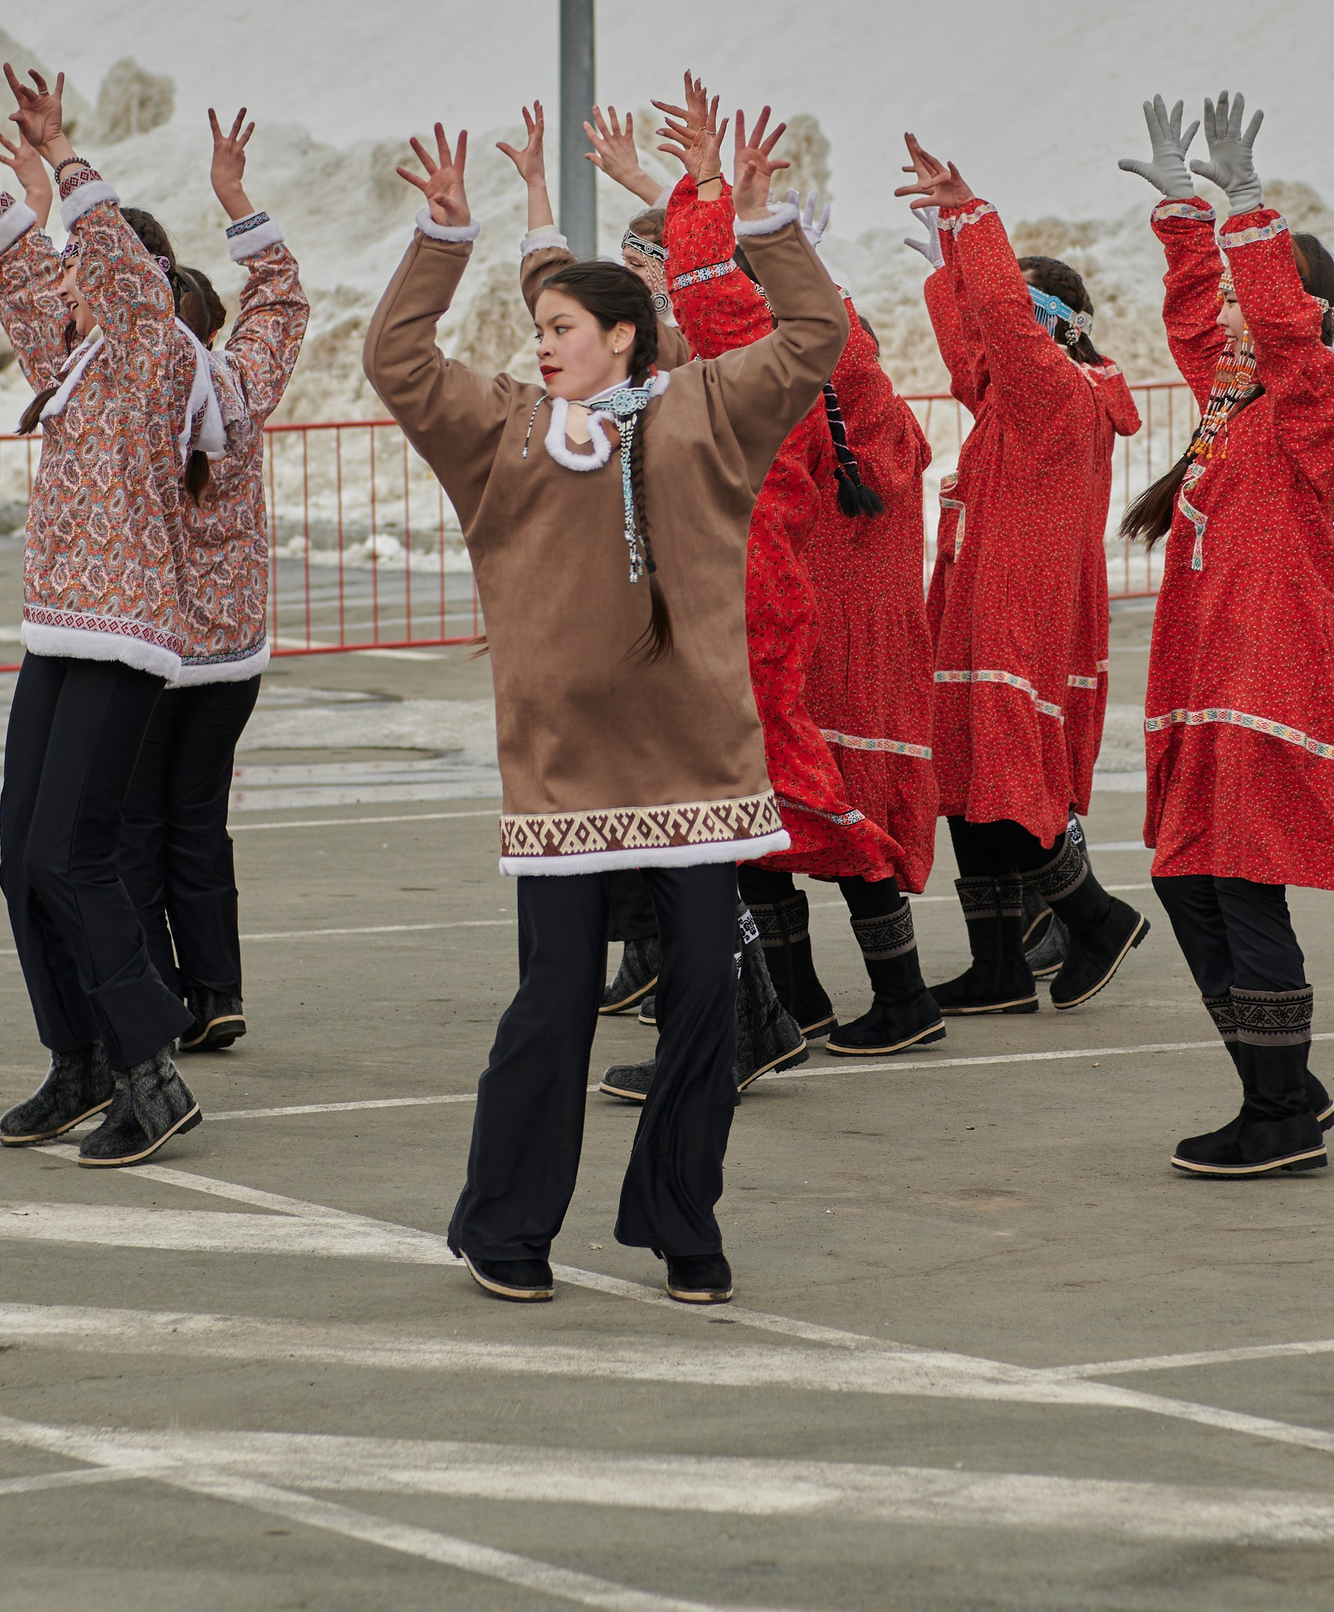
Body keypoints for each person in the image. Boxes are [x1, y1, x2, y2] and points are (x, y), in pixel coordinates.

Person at [364, 107, 848, 1308]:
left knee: (703, 1004)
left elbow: (814, 333)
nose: (541, 347)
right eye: (537, 331)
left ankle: (683, 1221)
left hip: (696, 767)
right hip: (564, 773)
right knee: (553, 1006)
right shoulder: (501, 430)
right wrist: (442, 239)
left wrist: (756, 223)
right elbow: (399, 361)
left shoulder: (708, 409)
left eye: (562, 329)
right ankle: (506, 1225)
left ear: (624, 337)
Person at [0, 63, 221, 1167]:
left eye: (93, 272)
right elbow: (20, 274)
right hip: (58, 628)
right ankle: (79, 1058)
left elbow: (115, 274)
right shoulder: (80, 359)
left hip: (124, 634)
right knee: (20, 858)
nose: (71, 288)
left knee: (73, 853)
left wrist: (63, 156)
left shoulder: (153, 352)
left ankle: (152, 1071)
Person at [497, 98, 807, 1100]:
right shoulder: (634, 367)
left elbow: (733, 306)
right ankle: (751, 1011)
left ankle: (743, 1023)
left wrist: (712, 192)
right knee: (678, 845)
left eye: (650, 265)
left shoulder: (697, 369)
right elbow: (559, 294)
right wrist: (539, 191)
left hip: (716, 610)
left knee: (698, 836)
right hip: (665, 619)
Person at [649, 77, 940, 1060]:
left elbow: (707, 293)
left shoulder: (775, 381)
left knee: (797, 807)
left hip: (783, 624)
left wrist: (714, 199)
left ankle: (866, 1000)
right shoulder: (797, 380)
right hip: (788, 620)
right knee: (772, 813)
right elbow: (706, 293)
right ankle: (796, 1001)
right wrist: (718, 205)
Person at [1117, 98, 1334, 1179]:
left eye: (1245, 297)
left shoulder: (1319, 400)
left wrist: (1249, 209)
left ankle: (1276, 1119)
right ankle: (1289, 1089)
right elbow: (1194, 325)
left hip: (1270, 671)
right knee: (1188, 877)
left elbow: (1280, 330)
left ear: (1295, 311)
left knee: (1238, 877)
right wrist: (1184, 213)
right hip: (1210, 669)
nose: (1226, 314)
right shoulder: (1237, 401)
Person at [899, 137, 1148, 1014]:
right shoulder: (1018, 396)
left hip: (1015, 605)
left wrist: (973, 223)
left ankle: (1097, 919)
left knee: (1004, 783)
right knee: (965, 775)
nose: (987, 322)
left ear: (1051, 326)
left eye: (1000, 307)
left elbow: (1002, 324)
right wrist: (949, 275)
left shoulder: (1056, 394)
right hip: (985, 599)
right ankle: (998, 964)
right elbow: (975, 355)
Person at [119, 107, 308, 1056]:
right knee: (199, 821)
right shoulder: (239, 385)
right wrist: (235, 196)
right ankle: (218, 991)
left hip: (153, 650)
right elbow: (283, 301)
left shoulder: (132, 396)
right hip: (234, 654)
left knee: (133, 828)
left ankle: (162, 994)